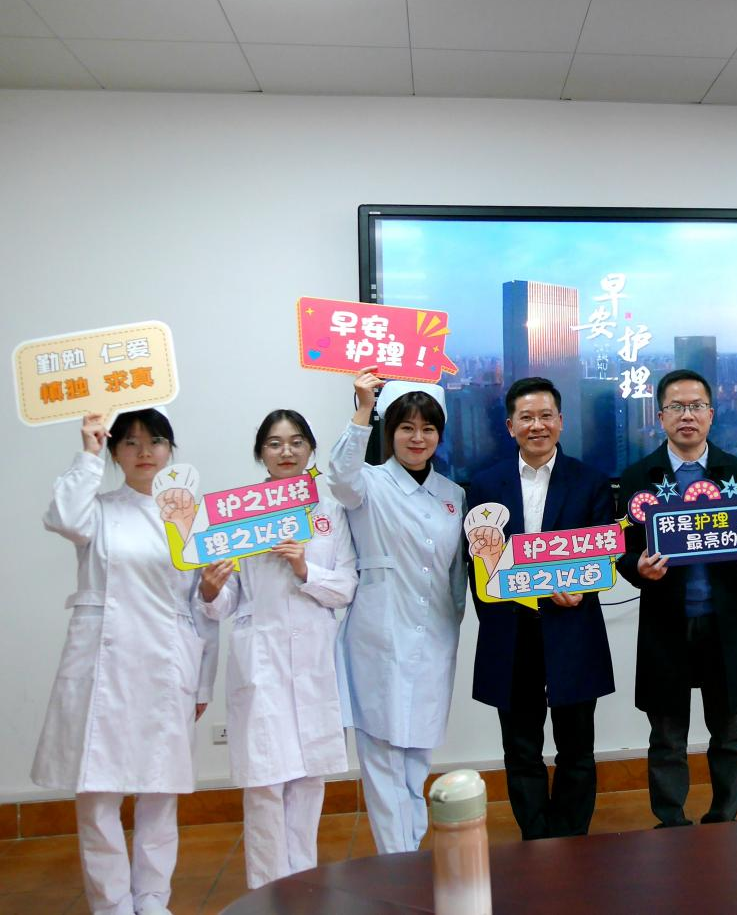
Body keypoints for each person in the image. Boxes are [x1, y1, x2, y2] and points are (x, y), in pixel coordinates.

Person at [34, 409, 218, 915]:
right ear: (115, 452)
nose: (144, 453)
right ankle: (112, 903)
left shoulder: (190, 517)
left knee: (160, 789)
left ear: (170, 450)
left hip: (166, 662)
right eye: (130, 443)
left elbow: (206, 608)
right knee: (98, 792)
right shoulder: (97, 509)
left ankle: (153, 898)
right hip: (104, 664)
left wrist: (203, 683)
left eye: (155, 441)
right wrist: (87, 453)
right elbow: (62, 517)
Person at [196, 410, 357, 888]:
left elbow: (345, 587)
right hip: (260, 655)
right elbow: (225, 603)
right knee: (265, 780)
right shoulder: (237, 514)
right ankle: (268, 891)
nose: (286, 452)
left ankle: (302, 885)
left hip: (314, 654)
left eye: (296, 441)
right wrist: (210, 589)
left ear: (310, 448)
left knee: (309, 777)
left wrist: (306, 569)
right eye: (274, 443)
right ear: (260, 453)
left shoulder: (329, 512)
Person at [616, 368, 737, 828]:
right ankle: (671, 824)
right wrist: (637, 568)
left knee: (730, 732)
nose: (688, 416)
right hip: (665, 624)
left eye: (697, 406)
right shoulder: (638, 477)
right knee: (666, 735)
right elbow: (621, 551)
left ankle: (723, 820)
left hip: (724, 623)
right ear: (660, 416)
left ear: (711, 415)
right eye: (677, 407)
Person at [465, 377, 616, 840]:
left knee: (577, 747)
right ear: (510, 426)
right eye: (526, 417)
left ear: (561, 422)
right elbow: (477, 564)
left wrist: (583, 589)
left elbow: (601, 555)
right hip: (512, 633)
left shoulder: (590, 481)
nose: (537, 426)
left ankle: (571, 839)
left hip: (572, 627)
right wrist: (498, 612)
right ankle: (536, 839)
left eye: (546, 416)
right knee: (521, 748)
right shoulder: (484, 484)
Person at [328, 368, 466, 853]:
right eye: (406, 427)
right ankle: (397, 860)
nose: (417, 437)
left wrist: (452, 624)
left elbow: (455, 575)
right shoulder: (367, 483)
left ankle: (411, 851)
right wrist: (363, 408)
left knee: (416, 757)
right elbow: (339, 475)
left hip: (434, 638)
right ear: (389, 432)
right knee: (383, 755)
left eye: (427, 428)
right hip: (379, 636)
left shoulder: (452, 495)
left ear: (439, 436)